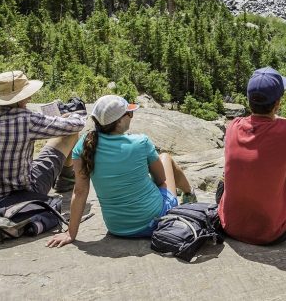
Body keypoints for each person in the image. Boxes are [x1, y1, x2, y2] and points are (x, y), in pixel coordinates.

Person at [47, 94, 197, 247]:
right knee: (166, 158)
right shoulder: (141, 142)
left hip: (118, 228)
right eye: (129, 113)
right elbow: (161, 180)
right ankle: (189, 195)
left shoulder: (84, 145)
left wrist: (70, 233)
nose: (132, 117)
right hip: (155, 221)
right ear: (118, 122)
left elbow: (79, 191)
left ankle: (189, 194)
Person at [216, 66, 286, 245]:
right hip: (269, 234)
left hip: (229, 225)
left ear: (248, 100)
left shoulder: (233, 125)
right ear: (277, 103)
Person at [0, 70, 86, 211]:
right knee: (70, 134)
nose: (30, 98)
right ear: (17, 98)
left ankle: (65, 180)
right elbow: (76, 125)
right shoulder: (25, 120)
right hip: (15, 203)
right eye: (26, 95)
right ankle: (66, 181)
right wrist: (75, 113)